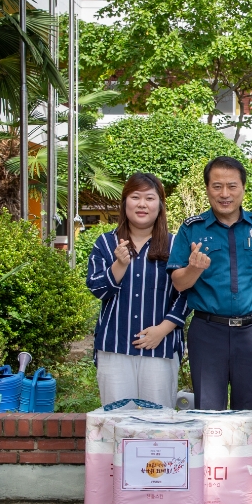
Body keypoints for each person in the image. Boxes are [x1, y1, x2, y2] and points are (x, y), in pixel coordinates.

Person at [168, 156, 252, 410]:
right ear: (207, 189)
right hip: (208, 332)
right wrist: (194, 269)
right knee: (209, 411)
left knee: (251, 411)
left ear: (243, 188)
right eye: (217, 186)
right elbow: (179, 283)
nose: (225, 194)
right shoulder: (191, 229)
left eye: (232, 186)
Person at [86, 172, 189, 408]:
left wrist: (162, 330)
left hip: (160, 347)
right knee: (116, 420)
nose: (142, 204)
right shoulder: (106, 243)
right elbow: (97, 288)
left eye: (149, 198)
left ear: (160, 205)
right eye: (135, 197)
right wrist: (119, 265)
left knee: (158, 421)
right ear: (125, 203)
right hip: (114, 347)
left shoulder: (175, 245)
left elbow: (187, 293)